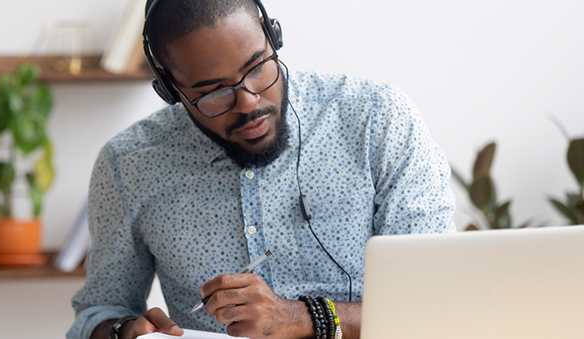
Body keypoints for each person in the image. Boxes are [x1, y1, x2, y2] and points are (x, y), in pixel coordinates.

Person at [68, 0, 456, 338]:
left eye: (257, 67)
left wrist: (302, 318)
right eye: (213, 92)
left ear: (273, 37)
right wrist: (123, 332)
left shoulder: (377, 120)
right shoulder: (128, 165)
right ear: (171, 91)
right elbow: (96, 315)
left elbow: (437, 302)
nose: (249, 103)